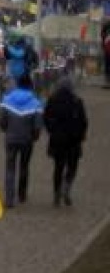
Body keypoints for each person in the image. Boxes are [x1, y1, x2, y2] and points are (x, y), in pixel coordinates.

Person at [0, 75, 43, 207]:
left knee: (10, 168)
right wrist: (34, 137)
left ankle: (9, 198)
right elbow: (37, 126)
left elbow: (2, 122)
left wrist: (7, 130)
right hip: (27, 140)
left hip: (11, 139)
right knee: (24, 166)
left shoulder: (7, 100)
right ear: (31, 87)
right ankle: (22, 194)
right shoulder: (36, 103)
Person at [42, 77, 88, 207]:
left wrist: (51, 130)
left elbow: (45, 117)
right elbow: (84, 121)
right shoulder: (77, 101)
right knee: (72, 167)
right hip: (74, 140)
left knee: (58, 167)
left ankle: (56, 193)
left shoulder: (52, 100)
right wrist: (81, 134)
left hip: (58, 140)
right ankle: (66, 187)